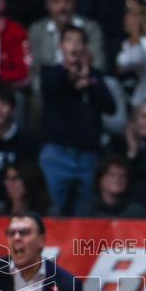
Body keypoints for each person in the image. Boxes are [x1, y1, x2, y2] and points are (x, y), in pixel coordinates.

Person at [38, 25, 114, 215]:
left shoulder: (94, 76)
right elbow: (54, 86)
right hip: (57, 154)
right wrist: (71, 77)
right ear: (61, 46)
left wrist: (88, 81)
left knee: (85, 213)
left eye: (79, 41)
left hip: (88, 156)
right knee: (53, 210)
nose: (75, 46)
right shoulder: (50, 72)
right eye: (69, 40)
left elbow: (110, 106)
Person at [29, 0, 105, 74]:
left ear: (74, 2)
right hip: (50, 87)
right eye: (56, 1)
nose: (62, 7)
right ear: (47, 4)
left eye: (67, 1)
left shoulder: (91, 29)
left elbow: (99, 65)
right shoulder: (37, 31)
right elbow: (35, 71)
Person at [76, 155, 146, 219]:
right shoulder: (86, 209)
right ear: (100, 179)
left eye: (123, 176)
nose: (117, 179)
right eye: (112, 175)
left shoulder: (136, 211)